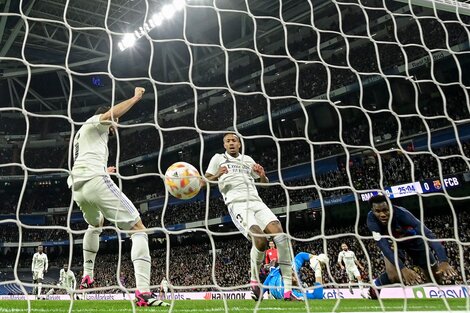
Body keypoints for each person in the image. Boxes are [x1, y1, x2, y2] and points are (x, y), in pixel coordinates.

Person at [68, 87, 168, 307]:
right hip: (94, 181)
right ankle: (142, 292)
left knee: (96, 224)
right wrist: (136, 98)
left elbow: (86, 157)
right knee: (138, 229)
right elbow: (111, 114)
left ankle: (87, 274)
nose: (116, 127)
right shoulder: (97, 121)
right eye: (115, 123)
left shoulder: (84, 134)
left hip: (78, 188)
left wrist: (105, 171)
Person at [204, 133, 295, 301]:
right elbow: (204, 182)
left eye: (234, 140)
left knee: (281, 236)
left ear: (239, 144)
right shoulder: (218, 158)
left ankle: (288, 291)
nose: (231, 143)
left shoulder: (248, 160)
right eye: (228, 141)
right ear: (224, 145)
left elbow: (264, 184)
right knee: (260, 240)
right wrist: (217, 174)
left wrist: (261, 175)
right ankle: (254, 280)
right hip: (237, 203)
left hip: (256, 201)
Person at [367, 193, 457, 299]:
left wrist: (443, 260)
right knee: (394, 277)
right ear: (373, 211)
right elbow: (383, 246)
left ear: (390, 207)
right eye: (378, 211)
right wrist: (403, 269)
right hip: (393, 244)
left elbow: (428, 235)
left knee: (435, 279)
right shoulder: (371, 220)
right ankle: (376, 284)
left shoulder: (402, 214)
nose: (382, 214)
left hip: (414, 241)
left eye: (385, 210)